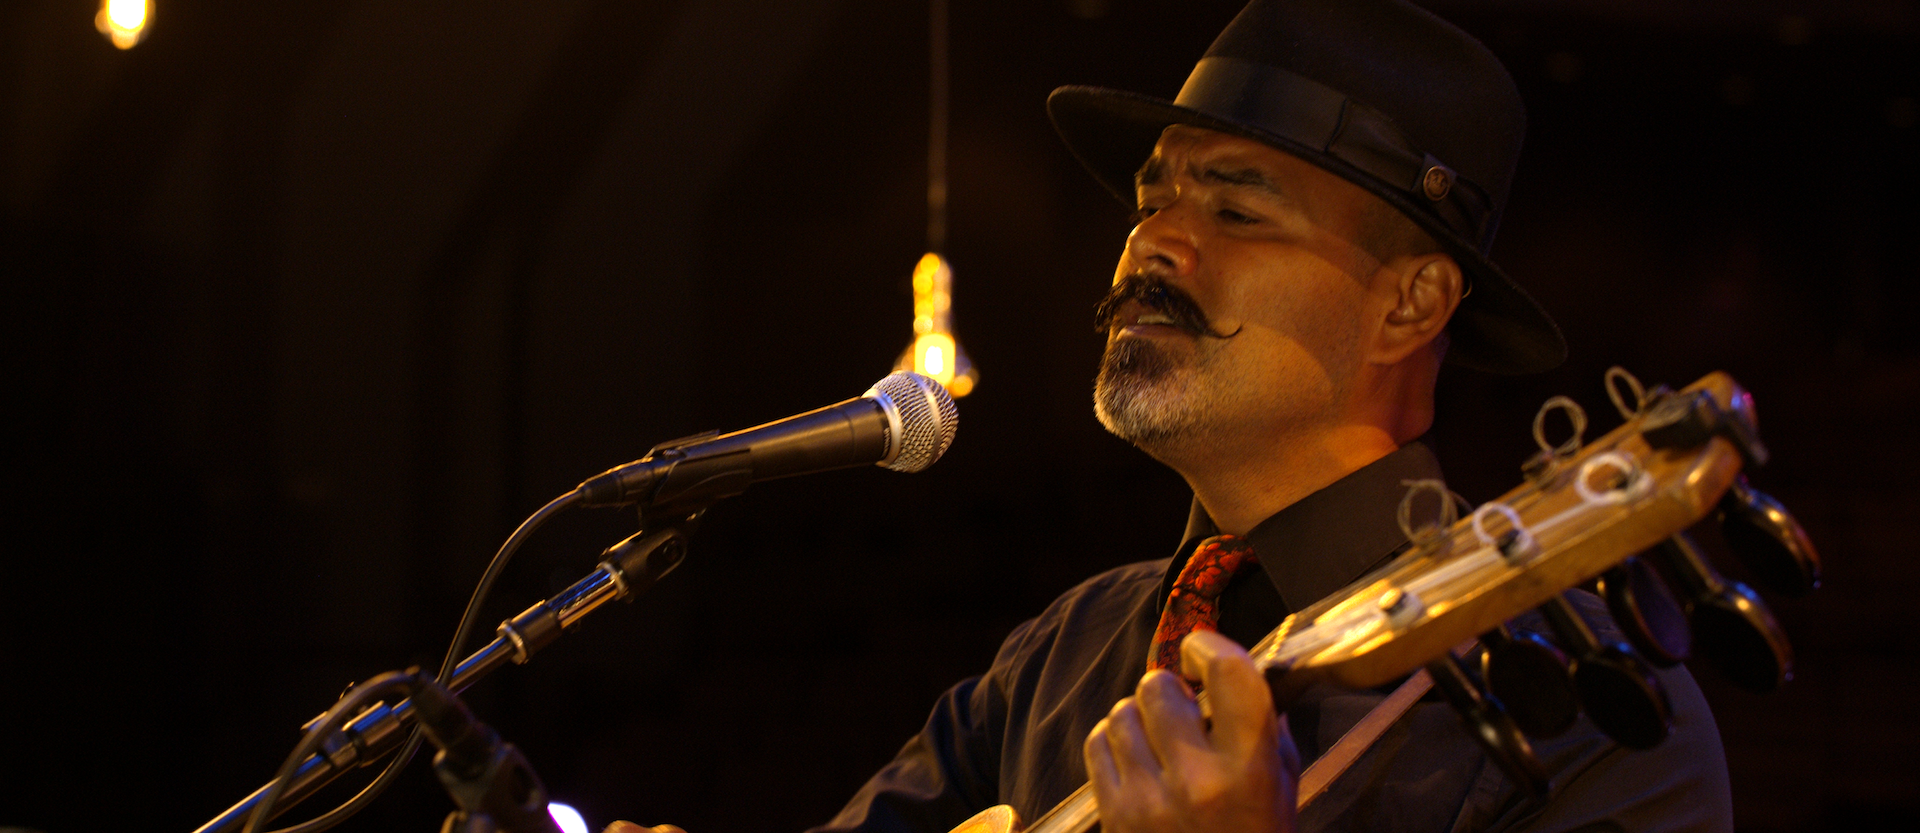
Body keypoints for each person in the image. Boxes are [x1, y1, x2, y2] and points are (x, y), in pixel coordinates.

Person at [613, 1, 1730, 831]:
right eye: (1151, 198)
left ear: (1410, 300)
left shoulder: (1594, 709)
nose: (1153, 242)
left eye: (1235, 208)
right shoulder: (1064, 649)